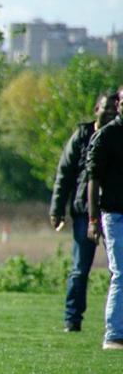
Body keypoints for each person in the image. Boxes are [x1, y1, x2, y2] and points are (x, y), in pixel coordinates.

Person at [49, 91, 119, 332]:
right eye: (106, 108)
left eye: (114, 107)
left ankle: (114, 324)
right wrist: (57, 209)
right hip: (83, 209)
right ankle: (72, 319)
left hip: (113, 208)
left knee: (117, 271)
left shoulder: (117, 136)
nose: (110, 112)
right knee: (80, 269)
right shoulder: (82, 135)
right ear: (95, 109)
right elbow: (65, 173)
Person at [87, 90, 123, 350]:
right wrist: (92, 218)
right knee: (121, 273)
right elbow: (93, 179)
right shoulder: (107, 135)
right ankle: (114, 333)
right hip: (115, 212)